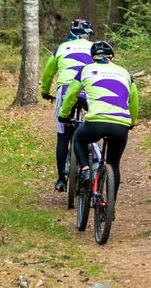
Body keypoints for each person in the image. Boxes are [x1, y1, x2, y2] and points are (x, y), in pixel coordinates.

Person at [59, 40, 138, 198]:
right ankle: (110, 204)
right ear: (112, 57)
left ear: (93, 57)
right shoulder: (125, 73)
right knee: (114, 165)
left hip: (95, 122)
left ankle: (85, 169)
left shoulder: (86, 70)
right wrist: (132, 121)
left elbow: (71, 94)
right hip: (120, 125)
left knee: (78, 139)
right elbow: (134, 100)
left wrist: (64, 114)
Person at [41, 18, 94, 192]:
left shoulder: (62, 48)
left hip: (65, 89)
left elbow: (48, 72)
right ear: (87, 35)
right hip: (87, 88)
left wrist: (45, 91)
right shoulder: (94, 48)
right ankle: (90, 163)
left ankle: (61, 180)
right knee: (91, 127)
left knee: (63, 136)